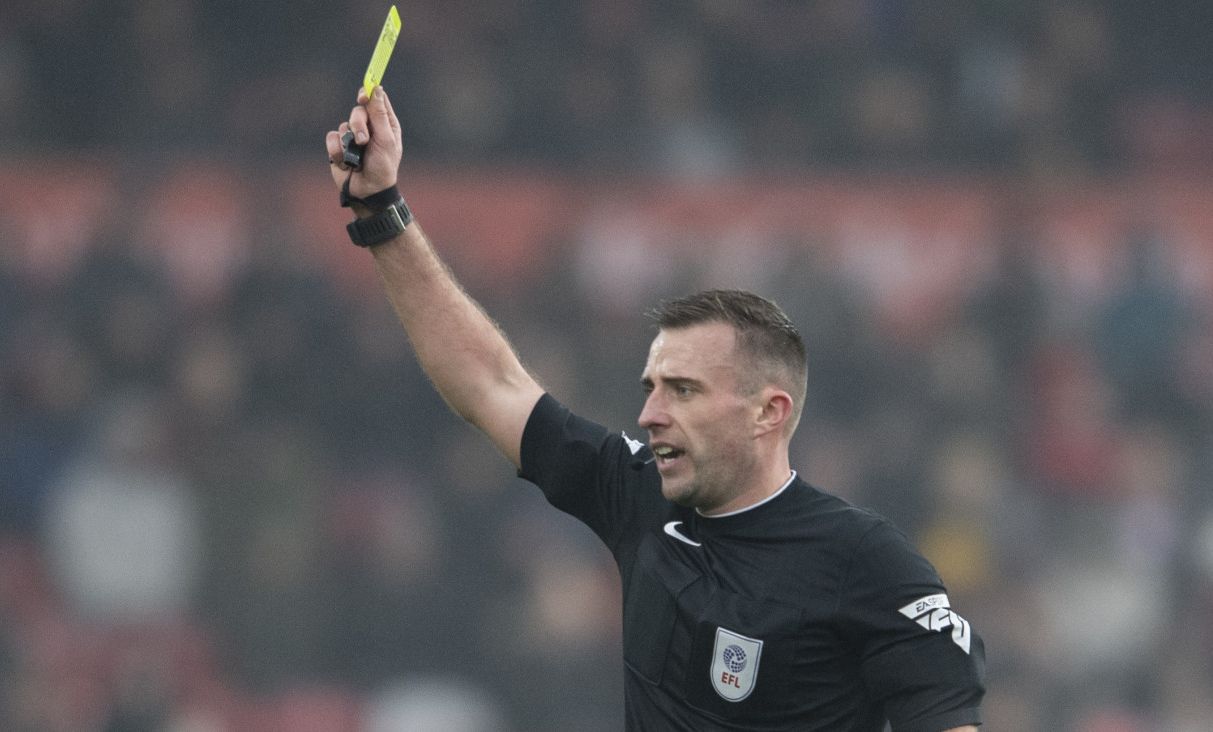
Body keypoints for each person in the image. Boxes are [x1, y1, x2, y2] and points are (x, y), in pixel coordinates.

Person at [325, 86, 986, 732]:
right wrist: (381, 208)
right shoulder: (637, 493)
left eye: (685, 391)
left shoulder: (865, 561)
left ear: (769, 412)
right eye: (652, 388)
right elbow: (490, 384)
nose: (650, 414)